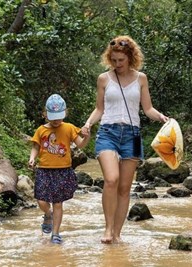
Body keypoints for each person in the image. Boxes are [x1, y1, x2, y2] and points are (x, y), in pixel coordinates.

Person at [81, 35, 168, 244]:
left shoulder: (141, 79)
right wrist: (87, 124)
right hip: (108, 132)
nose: (117, 64)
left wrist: (162, 117)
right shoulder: (104, 79)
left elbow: (147, 109)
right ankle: (108, 229)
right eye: (114, 60)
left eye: (121, 60)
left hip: (132, 135)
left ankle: (118, 234)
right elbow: (99, 109)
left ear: (130, 58)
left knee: (124, 188)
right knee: (111, 180)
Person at [29, 93, 90, 244]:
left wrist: (87, 136)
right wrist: (32, 158)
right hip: (44, 169)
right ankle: (48, 214)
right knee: (41, 200)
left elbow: (80, 144)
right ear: (45, 115)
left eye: (59, 116)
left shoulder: (69, 128)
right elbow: (35, 147)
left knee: (58, 203)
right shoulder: (41, 130)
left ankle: (55, 233)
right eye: (53, 116)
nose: (56, 120)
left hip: (63, 171)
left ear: (65, 113)